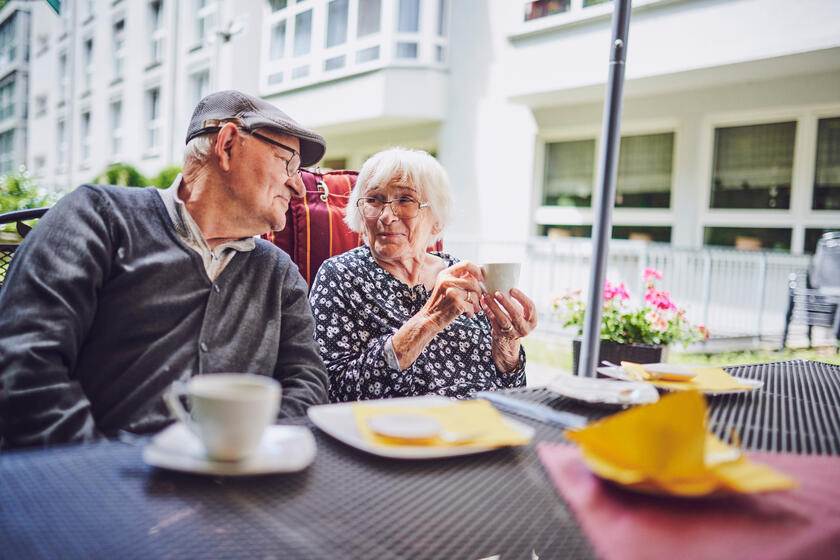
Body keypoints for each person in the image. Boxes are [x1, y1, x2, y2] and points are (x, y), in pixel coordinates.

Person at [0, 90, 329, 448]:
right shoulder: (99, 218)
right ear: (228, 144)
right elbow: (25, 362)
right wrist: (101, 475)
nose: (298, 185)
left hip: (236, 489)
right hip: (94, 487)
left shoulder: (277, 270)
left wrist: (246, 458)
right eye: (288, 162)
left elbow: (307, 383)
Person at [309, 147, 537, 402]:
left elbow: (511, 388)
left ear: (438, 220)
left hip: (482, 424)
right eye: (374, 200)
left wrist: (507, 343)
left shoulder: (461, 275)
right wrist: (430, 319)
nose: (386, 216)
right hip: (401, 431)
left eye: (405, 200)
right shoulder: (341, 276)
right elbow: (332, 392)